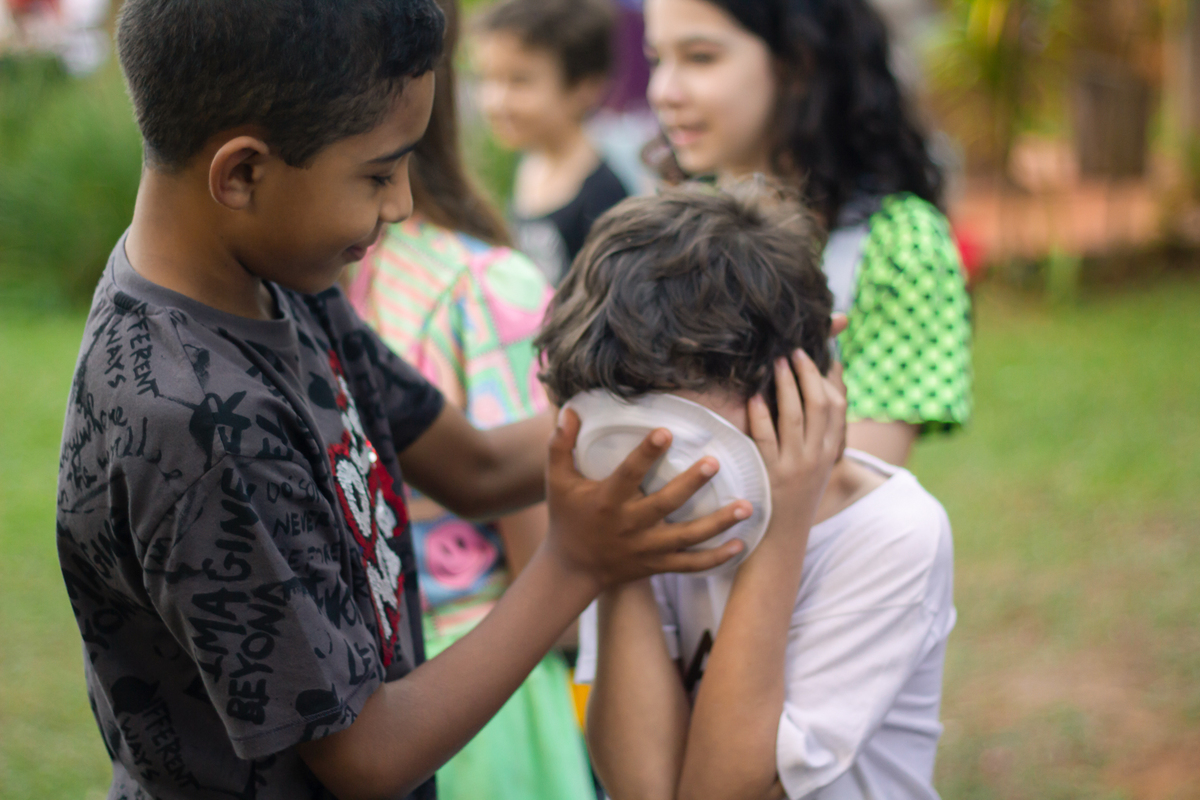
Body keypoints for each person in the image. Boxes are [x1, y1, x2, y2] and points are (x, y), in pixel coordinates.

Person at [55, 2, 753, 798]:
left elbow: (477, 467)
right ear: (242, 173)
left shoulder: (278, 287)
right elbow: (367, 756)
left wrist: (686, 391)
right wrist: (574, 563)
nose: (400, 204)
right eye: (379, 174)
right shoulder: (203, 425)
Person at [538, 181, 956, 799]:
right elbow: (641, 790)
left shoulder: (890, 532)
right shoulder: (647, 515)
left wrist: (781, 532)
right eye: (617, 430)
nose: (647, 460)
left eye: (679, 429)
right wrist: (618, 563)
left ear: (799, 380)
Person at [346, 1, 594, 798]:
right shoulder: (478, 286)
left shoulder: (294, 294)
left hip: (381, 693)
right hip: (487, 708)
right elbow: (546, 557)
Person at [641, 0, 973, 466]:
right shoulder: (661, 221)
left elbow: (857, 479)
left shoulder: (897, 242)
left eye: (700, 57)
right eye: (657, 59)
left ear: (799, 63)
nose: (663, 92)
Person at [474, 0, 629, 285]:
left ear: (584, 87)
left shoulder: (604, 197)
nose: (496, 101)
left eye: (519, 81)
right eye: (488, 78)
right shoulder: (529, 161)